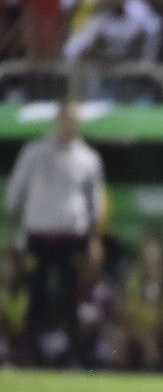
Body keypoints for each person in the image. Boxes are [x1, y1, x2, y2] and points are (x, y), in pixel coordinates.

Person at [4, 101, 106, 367]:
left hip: (71, 237)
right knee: (35, 297)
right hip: (38, 236)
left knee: (70, 299)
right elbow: (15, 195)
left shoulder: (87, 158)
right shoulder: (34, 153)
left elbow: (95, 204)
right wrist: (10, 237)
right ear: (58, 120)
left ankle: (73, 357)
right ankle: (29, 356)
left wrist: (94, 240)